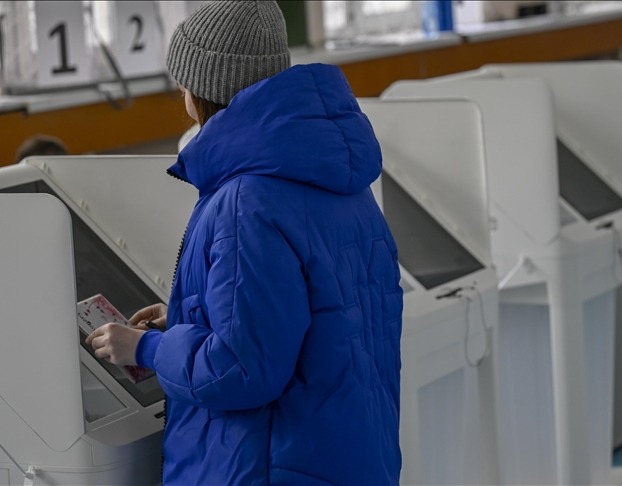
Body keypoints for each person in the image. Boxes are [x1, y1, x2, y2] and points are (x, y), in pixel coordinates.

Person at [85, 1, 403, 484]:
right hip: (344, 458)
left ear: (201, 90)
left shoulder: (246, 200)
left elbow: (240, 368)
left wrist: (146, 350)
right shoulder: (340, 180)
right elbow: (310, 319)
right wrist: (193, 320)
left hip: (268, 467)